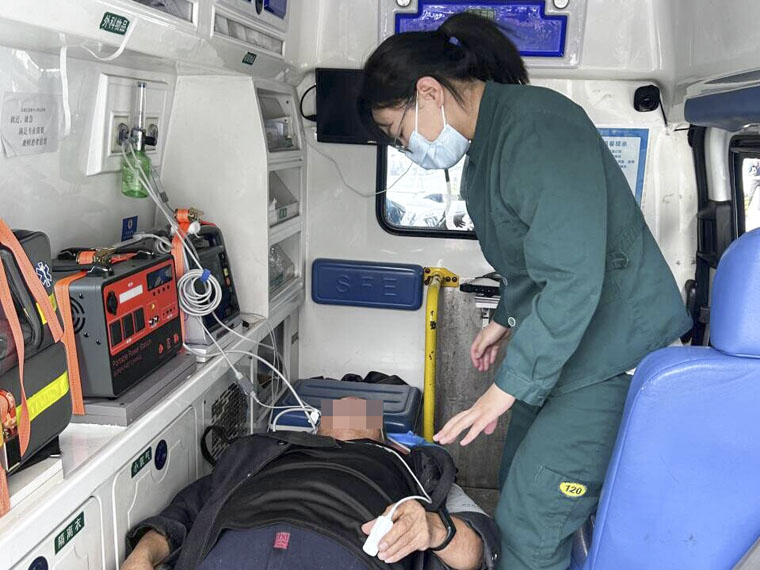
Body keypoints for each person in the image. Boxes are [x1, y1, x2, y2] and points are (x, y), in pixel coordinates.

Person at [358, 12, 692, 570]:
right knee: (514, 482)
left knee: (531, 523)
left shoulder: (536, 129)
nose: (407, 146)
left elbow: (572, 276)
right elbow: (531, 262)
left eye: (399, 131)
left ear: (429, 92)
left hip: (614, 359)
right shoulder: (487, 145)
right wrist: (504, 318)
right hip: (572, 353)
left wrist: (505, 389)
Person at [121, 397, 499, 570]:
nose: (350, 412)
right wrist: (143, 555)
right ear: (312, 431)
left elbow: (478, 550)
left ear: (391, 442)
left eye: (364, 415)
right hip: (234, 545)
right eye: (338, 411)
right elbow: (185, 511)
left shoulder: (415, 466)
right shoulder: (262, 452)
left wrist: (434, 528)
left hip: (347, 550)